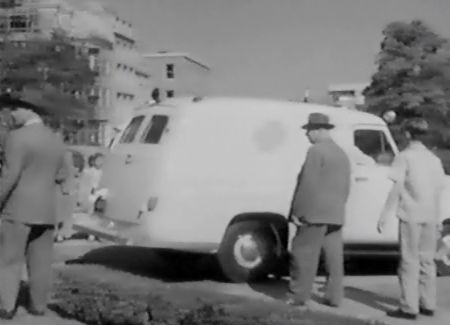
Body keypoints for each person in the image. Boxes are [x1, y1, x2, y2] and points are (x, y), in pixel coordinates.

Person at [0, 99, 67, 320]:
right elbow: (62, 175)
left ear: (28, 111)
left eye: (15, 109)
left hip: (18, 208)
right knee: (41, 263)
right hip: (47, 209)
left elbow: (10, 175)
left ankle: (6, 306)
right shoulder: (55, 139)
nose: (11, 114)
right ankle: (38, 305)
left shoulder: (17, 138)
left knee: (9, 260)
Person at [378, 118, 445, 320]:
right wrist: (439, 217)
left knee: (409, 260)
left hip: (410, 214)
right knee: (427, 260)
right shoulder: (434, 159)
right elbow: (438, 190)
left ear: (407, 133)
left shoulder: (404, 157)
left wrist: (385, 213)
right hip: (430, 214)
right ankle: (428, 303)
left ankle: (409, 306)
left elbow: (397, 187)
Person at [287, 112, 351, 308]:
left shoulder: (316, 151)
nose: (307, 135)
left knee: (303, 254)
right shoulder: (341, 152)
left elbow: (308, 183)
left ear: (317, 131)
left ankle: (299, 296)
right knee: (333, 258)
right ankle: (334, 297)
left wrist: (297, 211)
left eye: (309, 131)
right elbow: (346, 186)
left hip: (314, 212)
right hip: (336, 212)